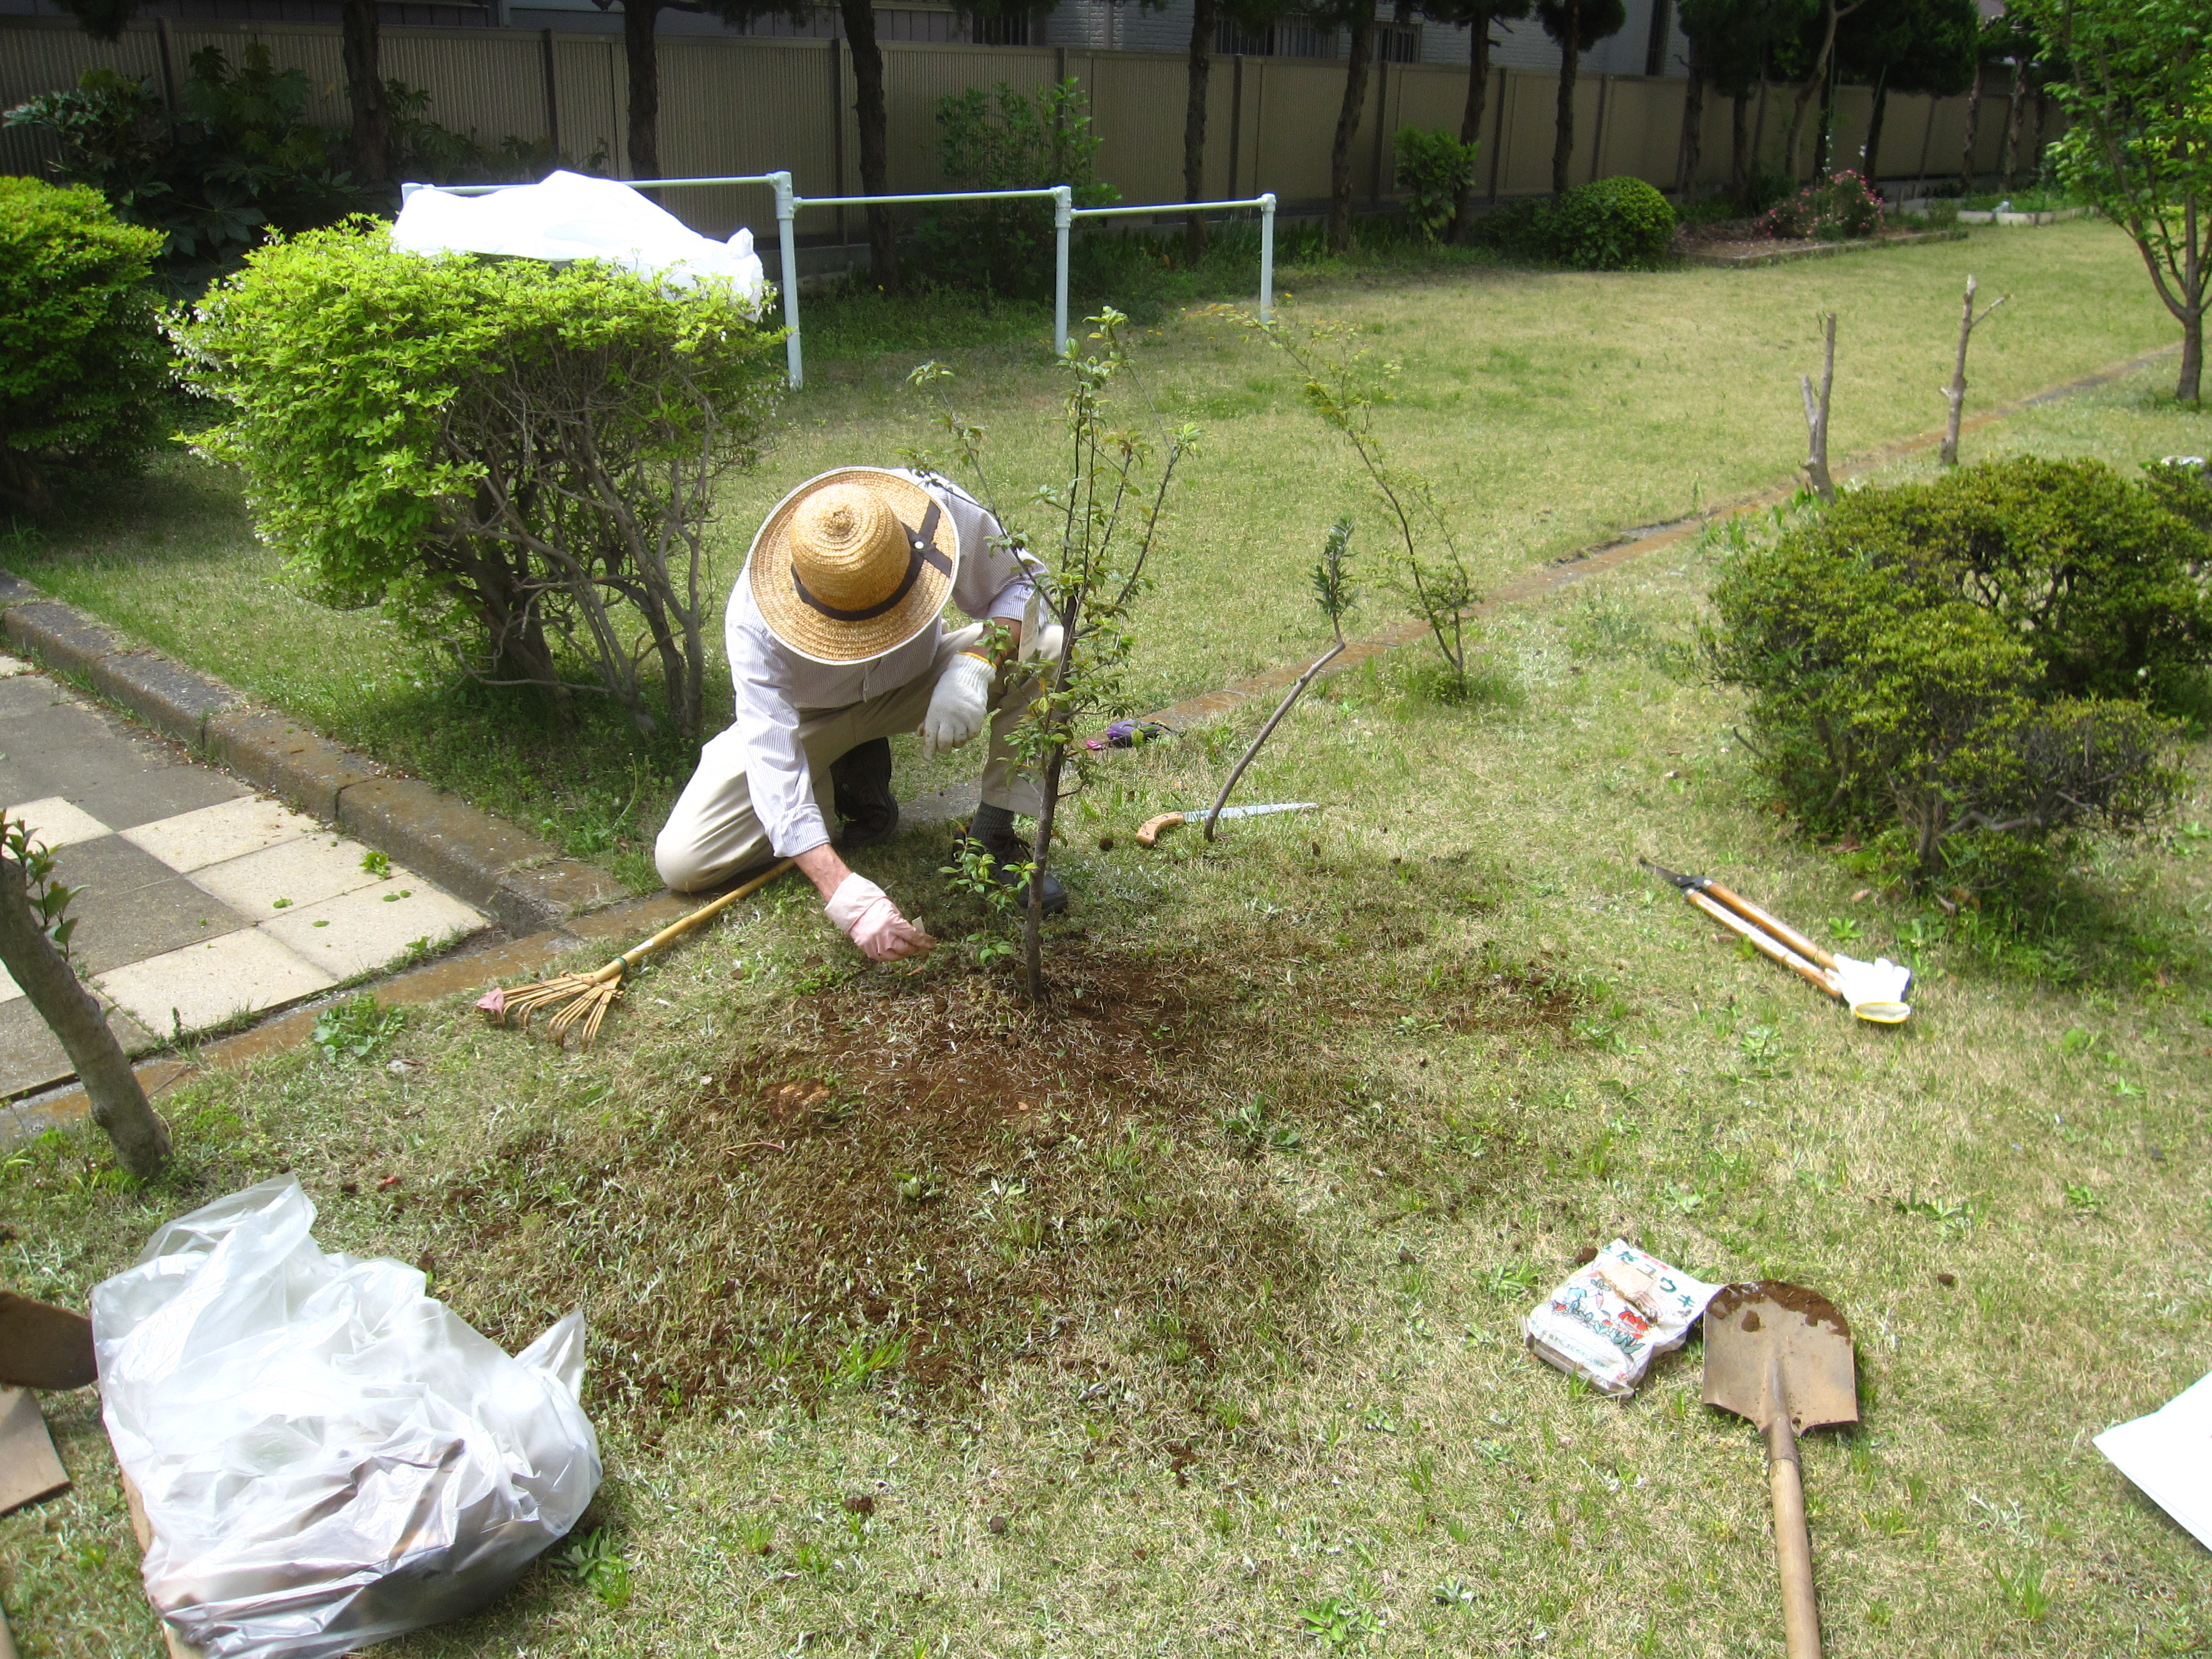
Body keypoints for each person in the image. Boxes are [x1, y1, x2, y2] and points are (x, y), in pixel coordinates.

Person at [654, 466, 1064, 962]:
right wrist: (845, 895)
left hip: (914, 680)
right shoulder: (754, 616)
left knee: (1052, 645)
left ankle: (990, 839)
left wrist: (977, 665)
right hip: (810, 715)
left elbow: (1027, 584)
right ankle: (840, 781)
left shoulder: (934, 511)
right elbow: (773, 763)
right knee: (684, 861)